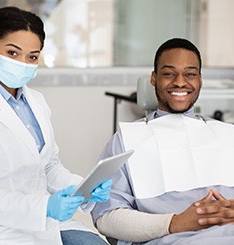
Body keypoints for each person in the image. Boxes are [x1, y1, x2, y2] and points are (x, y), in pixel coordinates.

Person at [91, 38, 234, 245]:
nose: (179, 82)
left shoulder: (227, 134)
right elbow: (106, 219)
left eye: (190, 74)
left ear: (200, 80)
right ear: (154, 78)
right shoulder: (126, 140)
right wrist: (174, 223)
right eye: (169, 74)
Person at [0, 6, 112, 245]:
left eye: (32, 57)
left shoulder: (36, 102)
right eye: (13, 53)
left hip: (46, 224)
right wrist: (44, 207)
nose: (23, 63)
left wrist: (81, 187)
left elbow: (48, 166)